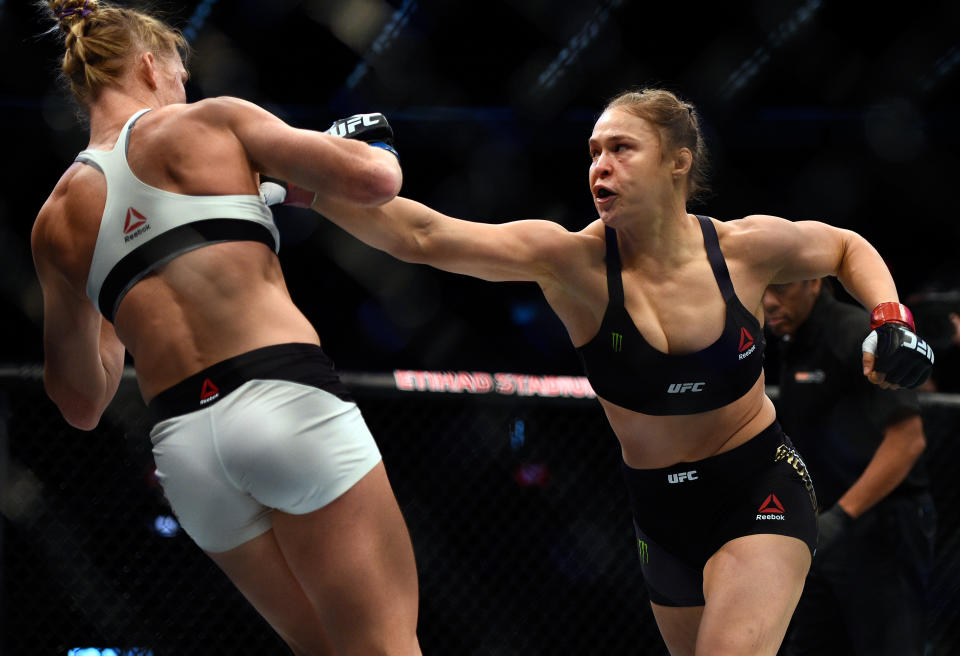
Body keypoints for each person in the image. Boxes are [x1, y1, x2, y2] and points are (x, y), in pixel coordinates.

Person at [272, 87, 936, 655]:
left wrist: (891, 319)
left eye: (621, 148)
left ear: (678, 162)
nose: (600, 166)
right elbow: (420, 238)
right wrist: (307, 177)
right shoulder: (571, 263)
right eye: (593, 152)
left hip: (758, 486)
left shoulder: (743, 250)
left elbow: (847, 245)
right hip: (660, 512)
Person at [31, 2, 421, 654]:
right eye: (181, 74)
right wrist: (368, 137)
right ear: (152, 66)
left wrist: (125, 286)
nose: (184, 87)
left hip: (186, 453)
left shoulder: (55, 221)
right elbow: (375, 180)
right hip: (283, 402)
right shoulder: (209, 121)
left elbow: (80, 401)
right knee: (385, 646)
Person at [762, 279, 936, 655]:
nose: (769, 302)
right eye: (763, 289)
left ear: (813, 283)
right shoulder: (793, 340)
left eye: (781, 289)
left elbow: (908, 441)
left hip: (881, 528)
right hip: (826, 532)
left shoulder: (854, 332)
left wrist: (840, 517)